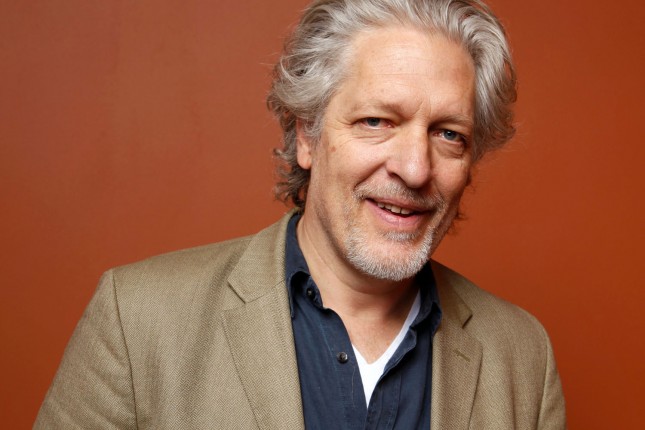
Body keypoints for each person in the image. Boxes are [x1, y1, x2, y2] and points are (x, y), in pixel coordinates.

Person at [35, 0, 566, 428]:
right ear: (306, 134)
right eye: (377, 121)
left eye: (449, 134)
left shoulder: (522, 357)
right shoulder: (139, 320)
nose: (414, 168)